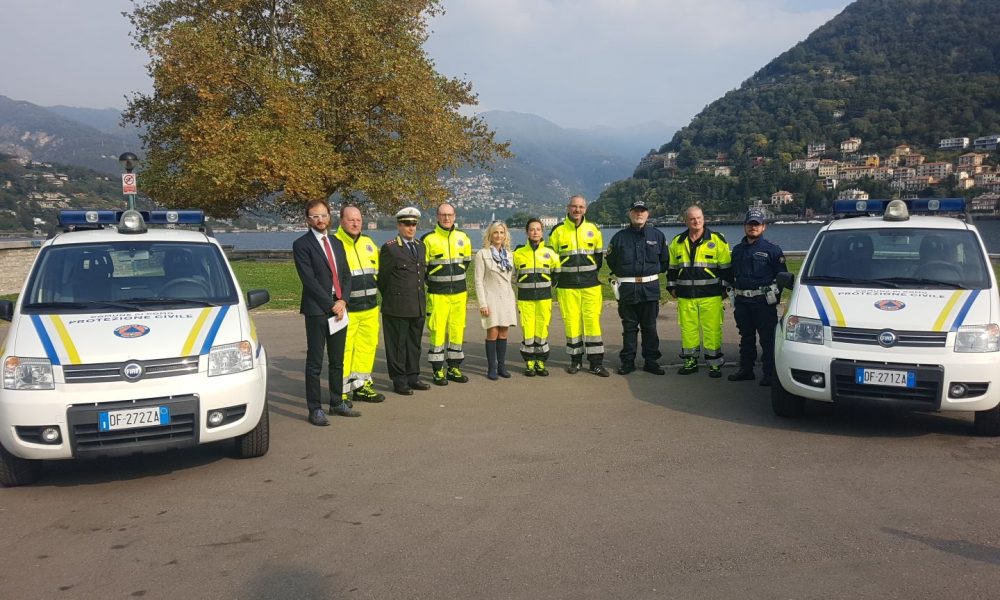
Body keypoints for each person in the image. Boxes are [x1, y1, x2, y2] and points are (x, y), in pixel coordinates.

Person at [292, 199, 360, 426]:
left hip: (339, 307)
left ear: (329, 217)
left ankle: (337, 402)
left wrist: (343, 301)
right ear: (307, 220)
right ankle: (315, 409)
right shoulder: (302, 245)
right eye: (315, 216)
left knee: (337, 360)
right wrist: (331, 304)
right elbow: (308, 280)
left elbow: (346, 275)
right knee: (315, 361)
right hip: (318, 309)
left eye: (323, 215)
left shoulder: (336, 243)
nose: (320, 220)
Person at [667, 205, 732, 378]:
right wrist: (672, 287)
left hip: (711, 295)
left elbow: (726, 269)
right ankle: (690, 361)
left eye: (699, 218)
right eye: (692, 219)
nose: (696, 221)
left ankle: (714, 363)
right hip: (686, 295)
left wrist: (724, 289)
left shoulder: (717, 240)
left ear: (704, 219)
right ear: (685, 221)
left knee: (712, 330)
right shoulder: (677, 242)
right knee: (688, 330)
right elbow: (672, 268)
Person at [606, 200, 669, 375]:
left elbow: (664, 262)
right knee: (629, 328)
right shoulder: (619, 237)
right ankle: (628, 362)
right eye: (635, 211)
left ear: (647, 214)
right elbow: (611, 261)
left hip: (650, 289)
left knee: (650, 328)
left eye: (642, 211)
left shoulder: (658, 236)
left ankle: (651, 362)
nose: (639, 214)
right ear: (630, 214)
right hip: (627, 289)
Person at [549, 195, 609, 376]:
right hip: (567, 286)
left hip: (590, 285)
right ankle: (575, 361)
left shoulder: (593, 229)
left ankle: (596, 363)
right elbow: (552, 260)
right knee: (572, 323)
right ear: (568, 208)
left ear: (585, 209)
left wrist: (589, 275)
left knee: (592, 323)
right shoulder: (558, 231)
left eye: (581, 207)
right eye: (574, 206)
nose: (577, 210)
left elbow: (598, 259)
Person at [728, 208, 787, 387]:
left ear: (763, 227)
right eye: (750, 224)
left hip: (763, 303)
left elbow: (783, 277)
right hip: (742, 302)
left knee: (767, 340)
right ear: (744, 226)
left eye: (757, 224)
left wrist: (774, 298)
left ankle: (769, 374)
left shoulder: (772, 250)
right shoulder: (737, 250)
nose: (753, 227)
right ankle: (746, 370)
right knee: (746, 337)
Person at [377, 207, 432, 396]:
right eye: (407, 224)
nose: (411, 228)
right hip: (397, 306)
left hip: (417, 305)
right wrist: (394, 297)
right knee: (397, 346)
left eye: (414, 224)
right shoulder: (391, 248)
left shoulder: (420, 246)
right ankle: (399, 380)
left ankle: (413, 376)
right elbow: (383, 279)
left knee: (414, 344)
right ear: (399, 225)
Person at [334, 205, 385, 403]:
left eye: (358, 220)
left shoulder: (368, 243)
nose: (355, 224)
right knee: (345, 350)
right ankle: (341, 391)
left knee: (367, 347)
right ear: (341, 221)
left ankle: (361, 386)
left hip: (370, 307)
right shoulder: (335, 244)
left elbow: (377, 273)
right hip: (347, 309)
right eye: (351, 220)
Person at [422, 202, 473, 386]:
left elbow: (466, 262)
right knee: (437, 331)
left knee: (457, 329)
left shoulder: (463, 237)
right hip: (438, 294)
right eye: (443, 215)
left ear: (455, 216)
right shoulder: (428, 239)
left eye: (449, 215)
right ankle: (437, 370)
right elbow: (423, 268)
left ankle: (454, 368)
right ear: (437, 216)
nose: (446, 218)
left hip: (459, 293)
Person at [513, 218, 559, 376]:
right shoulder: (518, 252)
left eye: (538, 229)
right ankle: (529, 362)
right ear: (527, 232)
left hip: (544, 297)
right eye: (532, 229)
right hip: (525, 298)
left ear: (542, 232)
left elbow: (557, 271)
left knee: (542, 328)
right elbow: (512, 274)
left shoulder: (550, 252)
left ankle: (540, 361)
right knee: (528, 329)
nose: (535, 232)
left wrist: (549, 284)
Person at [474, 220, 518, 380]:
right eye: (495, 232)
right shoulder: (482, 254)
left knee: (504, 333)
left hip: (506, 298)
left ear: (505, 235)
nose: (499, 235)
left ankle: (502, 366)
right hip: (491, 298)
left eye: (501, 232)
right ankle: (491, 367)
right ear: (490, 235)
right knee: (492, 332)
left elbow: (512, 278)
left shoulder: (510, 255)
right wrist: (482, 304)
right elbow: (478, 281)